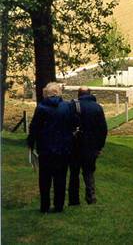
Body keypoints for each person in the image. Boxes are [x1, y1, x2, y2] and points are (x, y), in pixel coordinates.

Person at [27, 82, 73, 213]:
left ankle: (44, 206)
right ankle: (59, 206)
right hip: (63, 148)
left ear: (47, 93)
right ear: (58, 92)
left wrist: (31, 142)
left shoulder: (41, 107)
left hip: (46, 148)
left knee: (45, 179)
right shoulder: (67, 107)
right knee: (61, 178)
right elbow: (72, 124)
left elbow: (34, 127)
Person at [68, 86, 108, 206]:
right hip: (91, 146)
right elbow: (103, 129)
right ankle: (91, 197)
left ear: (79, 94)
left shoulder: (73, 106)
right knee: (89, 172)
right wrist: (99, 146)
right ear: (90, 94)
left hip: (75, 144)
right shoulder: (97, 107)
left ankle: (74, 200)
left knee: (74, 172)